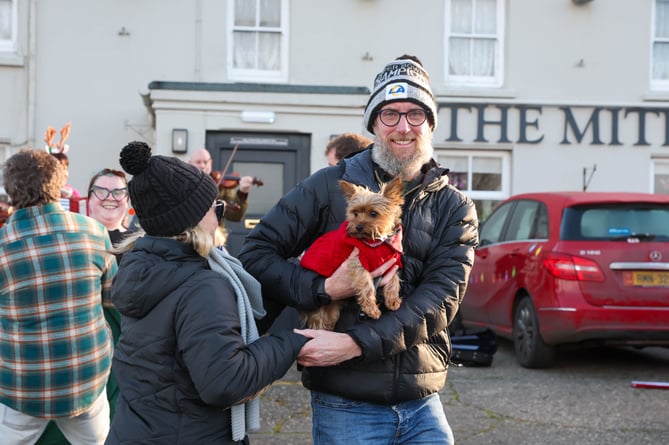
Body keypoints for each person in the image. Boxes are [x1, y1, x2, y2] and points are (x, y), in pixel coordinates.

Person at [238, 54, 479, 444]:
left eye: (416, 114)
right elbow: (256, 254)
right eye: (390, 114)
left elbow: (441, 299)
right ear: (373, 124)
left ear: (430, 125)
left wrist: (354, 344)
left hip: (423, 401)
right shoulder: (328, 186)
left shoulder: (454, 206)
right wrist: (322, 289)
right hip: (345, 403)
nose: (403, 127)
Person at [105, 141, 309, 444]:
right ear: (196, 219)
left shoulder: (144, 268)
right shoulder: (202, 285)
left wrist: (283, 291)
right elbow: (226, 381)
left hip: (139, 431)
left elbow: (213, 337)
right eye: (217, 207)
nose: (221, 215)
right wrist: (292, 341)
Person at [0, 148, 116, 445]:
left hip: (21, 386)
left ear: (9, 191)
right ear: (58, 186)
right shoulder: (94, 232)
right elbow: (114, 300)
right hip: (86, 379)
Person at [36, 168, 131, 445]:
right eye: (101, 191)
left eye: (118, 191)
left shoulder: (141, 246)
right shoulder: (70, 239)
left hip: (124, 350)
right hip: (76, 349)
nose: (109, 197)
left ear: (128, 200)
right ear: (88, 199)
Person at [45, 123, 82, 213]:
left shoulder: (73, 193)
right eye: (57, 169)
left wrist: (72, 197)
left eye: (65, 168)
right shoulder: (40, 190)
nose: (63, 173)